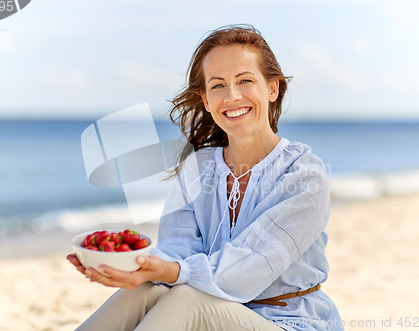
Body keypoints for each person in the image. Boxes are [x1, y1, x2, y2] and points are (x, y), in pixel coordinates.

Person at [67, 24, 343, 331]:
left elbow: (252, 263)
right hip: (213, 311)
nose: (232, 96)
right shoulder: (197, 167)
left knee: (184, 296)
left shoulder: (304, 173)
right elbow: (178, 249)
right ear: (206, 99)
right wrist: (134, 267)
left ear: (273, 88)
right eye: (218, 85)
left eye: (245, 80)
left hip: (289, 322)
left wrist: (170, 271)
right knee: (144, 290)